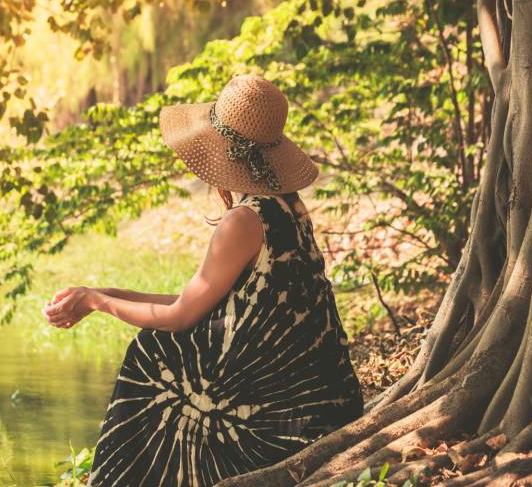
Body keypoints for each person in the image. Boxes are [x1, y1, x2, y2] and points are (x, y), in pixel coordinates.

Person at [42, 74, 363, 486]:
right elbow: (197, 302)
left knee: (152, 357)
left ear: (224, 152)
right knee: (165, 347)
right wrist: (100, 293)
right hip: (328, 404)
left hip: (279, 426)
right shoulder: (287, 209)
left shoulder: (245, 221)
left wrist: (96, 302)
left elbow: (179, 317)